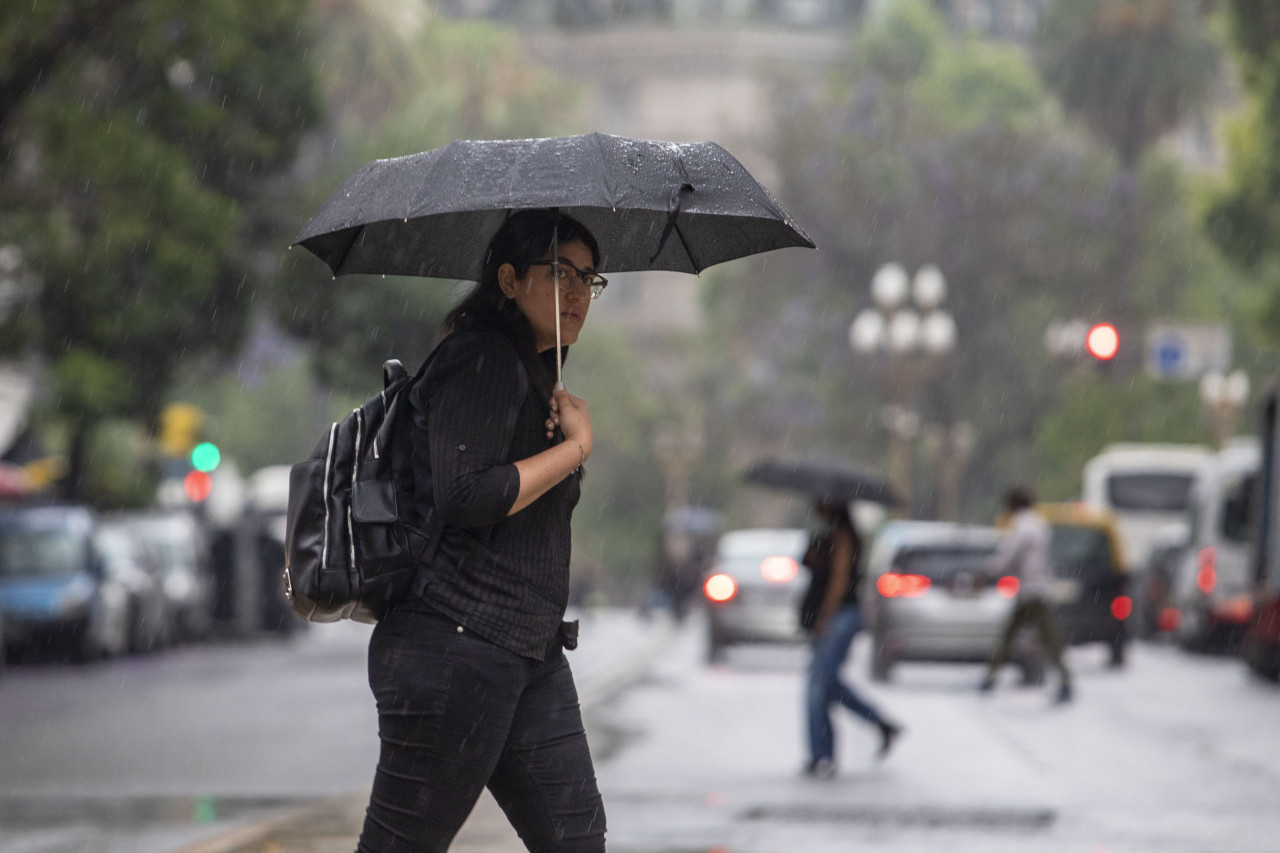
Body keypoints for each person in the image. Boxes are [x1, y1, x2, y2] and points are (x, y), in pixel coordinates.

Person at [355, 210, 608, 852]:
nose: (578, 291)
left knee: (576, 840)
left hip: (524, 650)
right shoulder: (481, 358)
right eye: (559, 273)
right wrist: (575, 449)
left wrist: (554, 427)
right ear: (508, 279)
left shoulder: (531, 373)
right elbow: (468, 495)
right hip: (454, 645)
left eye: (589, 277)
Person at [799, 498, 901, 779]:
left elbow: (840, 581)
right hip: (835, 616)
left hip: (840, 616)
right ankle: (876, 725)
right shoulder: (829, 534)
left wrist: (825, 616)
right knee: (825, 683)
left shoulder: (844, 536)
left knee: (818, 685)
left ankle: (823, 755)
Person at [979, 485, 1073, 704]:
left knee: (1031, 638)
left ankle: (990, 678)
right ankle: (990, 678)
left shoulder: (1023, 526)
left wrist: (986, 572)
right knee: (1037, 638)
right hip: (1035, 589)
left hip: (1032, 592)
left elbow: (1009, 554)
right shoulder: (1037, 523)